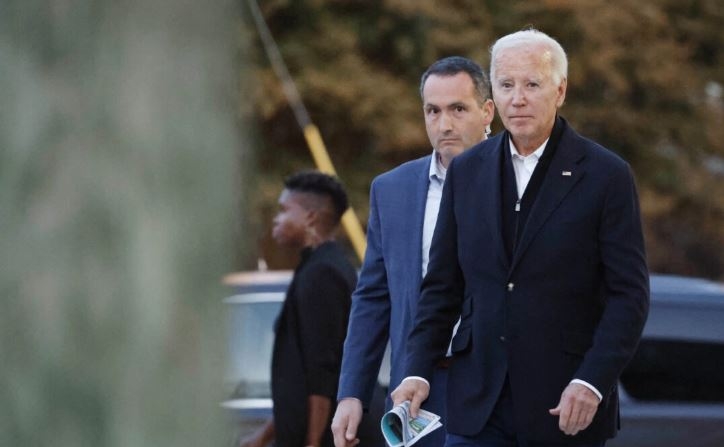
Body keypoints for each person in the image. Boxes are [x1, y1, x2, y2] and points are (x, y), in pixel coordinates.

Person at [391, 29, 650, 447]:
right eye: (507, 85)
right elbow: (442, 286)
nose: (518, 98)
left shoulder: (606, 176)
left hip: (565, 407)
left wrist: (592, 382)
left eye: (532, 84)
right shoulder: (467, 171)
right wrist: (416, 370)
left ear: (560, 90)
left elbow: (629, 296)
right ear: (494, 94)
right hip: (477, 406)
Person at [331, 56, 495, 447]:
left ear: (488, 111)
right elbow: (373, 296)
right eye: (432, 111)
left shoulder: (521, 180)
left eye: (458, 109)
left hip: (498, 385)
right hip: (417, 388)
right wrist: (351, 392)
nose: (445, 124)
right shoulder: (393, 189)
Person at [241, 171, 357, 447]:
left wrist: (314, 441)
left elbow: (322, 371)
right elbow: (298, 379)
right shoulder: (316, 266)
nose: (276, 219)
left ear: (310, 218)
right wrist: (264, 435)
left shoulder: (323, 273)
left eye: (283, 211)